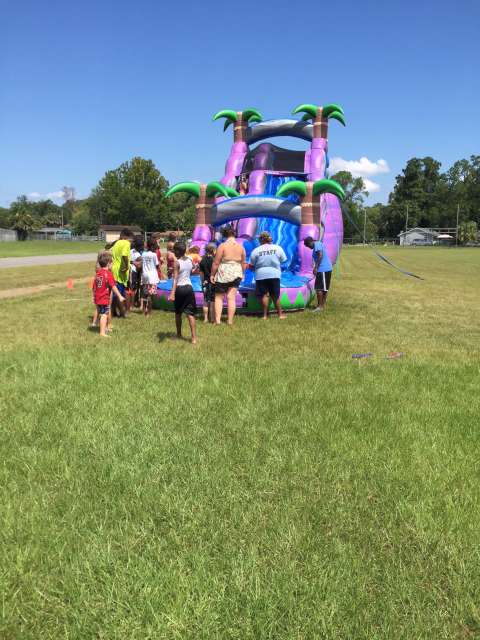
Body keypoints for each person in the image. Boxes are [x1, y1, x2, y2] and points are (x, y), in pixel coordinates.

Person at [211, 226, 246, 326]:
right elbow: (243, 263)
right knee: (231, 297)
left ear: (224, 235)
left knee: (219, 297)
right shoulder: (241, 247)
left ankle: (218, 321)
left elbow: (216, 263)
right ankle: (230, 321)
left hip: (224, 272)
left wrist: (212, 274)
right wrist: (242, 274)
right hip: (237, 272)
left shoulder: (222, 246)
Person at [249, 231, 287, 320]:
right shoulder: (277, 248)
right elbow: (283, 261)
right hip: (274, 274)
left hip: (261, 275)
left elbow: (251, 266)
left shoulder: (256, 250)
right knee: (275, 296)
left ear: (260, 240)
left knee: (264, 295)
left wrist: (254, 269)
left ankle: (265, 316)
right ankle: (280, 315)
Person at [168, 242, 197, 344]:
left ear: (177, 251)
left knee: (178, 313)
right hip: (189, 288)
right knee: (190, 314)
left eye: (174, 250)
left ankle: (179, 334)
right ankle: (194, 338)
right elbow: (193, 269)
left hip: (180, 289)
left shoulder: (177, 262)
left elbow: (175, 279)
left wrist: (172, 293)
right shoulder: (190, 259)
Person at [92, 253, 125, 338]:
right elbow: (113, 286)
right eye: (112, 263)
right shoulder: (108, 274)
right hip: (104, 298)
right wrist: (120, 296)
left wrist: (94, 296)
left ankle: (105, 328)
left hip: (98, 297)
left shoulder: (98, 273)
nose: (112, 265)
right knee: (104, 314)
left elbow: (94, 286)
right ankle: (102, 332)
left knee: (101, 312)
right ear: (108, 263)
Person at [303, 227, 333, 312]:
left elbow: (320, 255)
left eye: (308, 245)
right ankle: (322, 305)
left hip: (323, 269)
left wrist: (316, 267)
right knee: (324, 288)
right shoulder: (318, 244)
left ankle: (320, 307)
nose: (308, 247)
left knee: (319, 288)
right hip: (326, 268)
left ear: (310, 242)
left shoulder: (317, 245)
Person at [110, 228, 133, 318]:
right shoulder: (126, 243)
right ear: (127, 236)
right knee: (119, 293)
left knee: (115, 292)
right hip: (121, 271)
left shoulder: (116, 243)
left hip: (114, 269)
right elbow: (124, 255)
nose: (131, 241)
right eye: (131, 238)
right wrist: (126, 267)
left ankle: (113, 312)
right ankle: (123, 313)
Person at [140, 238, 160, 316]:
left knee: (145, 294)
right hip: (152, 276)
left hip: (145, 275)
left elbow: (142, 264)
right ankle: (149, 312)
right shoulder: (154, 255)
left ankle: (144, 310)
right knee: (151, 295)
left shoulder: (143, 254)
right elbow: (157, 265)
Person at [199, 242, 216, 323]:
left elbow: (201, 273)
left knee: (205, 300)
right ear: (213, 250)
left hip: (205, 282)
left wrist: (202, 282)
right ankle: (212, 318)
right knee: (212, 301)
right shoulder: (214, 260)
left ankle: (205, 318)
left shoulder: (202, 260)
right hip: (213, 282)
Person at [129, 237, 144, 309]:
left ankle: (135, 301)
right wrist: (136, 262)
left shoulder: (131, 250)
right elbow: (140, 263)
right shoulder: (138, 254)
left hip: (131, 271)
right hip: (134, 272)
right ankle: (132, 304)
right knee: (134, 289)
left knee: (133, 288)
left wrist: (132, 262)